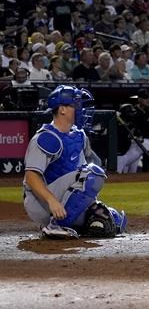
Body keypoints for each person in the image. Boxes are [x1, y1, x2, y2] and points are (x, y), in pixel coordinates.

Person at [22, 85, 127, 239]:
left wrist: (91, 205)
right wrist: (52, 201)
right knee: (93, 173)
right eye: (76, 105)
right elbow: (31, 177)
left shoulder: (79, 135)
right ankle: (55, 225)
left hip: (63, 198)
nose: (81, 110)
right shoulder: (46, 138)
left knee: (112, 220)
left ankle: (69, 223)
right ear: (62, 109)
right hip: (41, 202)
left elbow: (80, 175)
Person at [115, 103, 144, 174]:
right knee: (117, 174)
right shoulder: (116, 124)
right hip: (118, 156)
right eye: (131, 113)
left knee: (141, 146)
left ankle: (131, 173)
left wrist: (137, 137)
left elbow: (139, 136)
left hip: (126, 153)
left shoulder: (131, 124)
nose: (133, 115)